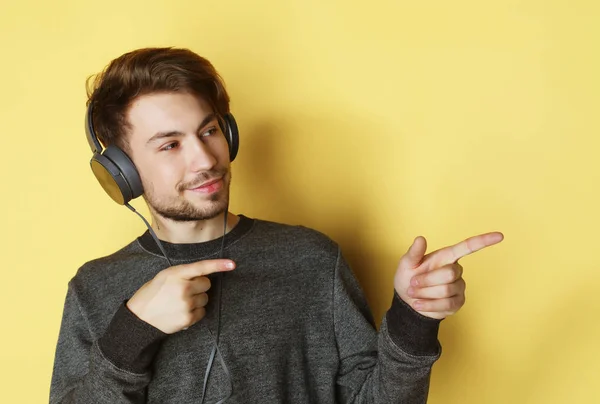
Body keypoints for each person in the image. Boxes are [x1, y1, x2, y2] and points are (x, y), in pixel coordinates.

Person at [49, 47, 503, 404]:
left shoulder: (311, 259)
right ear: (122, 171)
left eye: (209, 132)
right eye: (170, 145)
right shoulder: (95, 289)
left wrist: (413, 318)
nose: (205, 160)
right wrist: (134, 330)